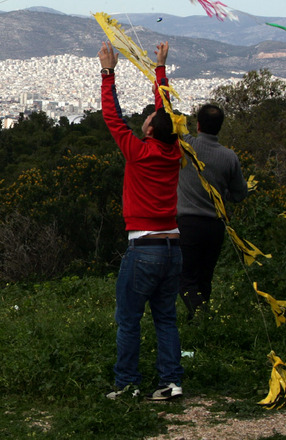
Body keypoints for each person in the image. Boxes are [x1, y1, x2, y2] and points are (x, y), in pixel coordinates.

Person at [100, 41, 185, 402]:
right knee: (165, 318)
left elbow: (112, 117)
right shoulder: (175, 152)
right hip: (173, 247)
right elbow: (167, 110)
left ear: (150, 130)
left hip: (145, 247)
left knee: (129, 318)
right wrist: (160, 69)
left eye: (149, 118)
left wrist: (108, 73)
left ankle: (127, 383)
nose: (147, 116)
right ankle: (171, 381)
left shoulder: (138, 152)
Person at [177, 104, 249, 319]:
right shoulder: (230, 157)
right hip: (215, 226)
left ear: (198, 125)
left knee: (185, 277)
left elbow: (171, 120)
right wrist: (222, 193)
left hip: (188, 224)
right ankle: (200, 323)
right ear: (220, 127)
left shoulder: (187, 146)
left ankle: (199, 316)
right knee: (204, 278)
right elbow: (240, 193)